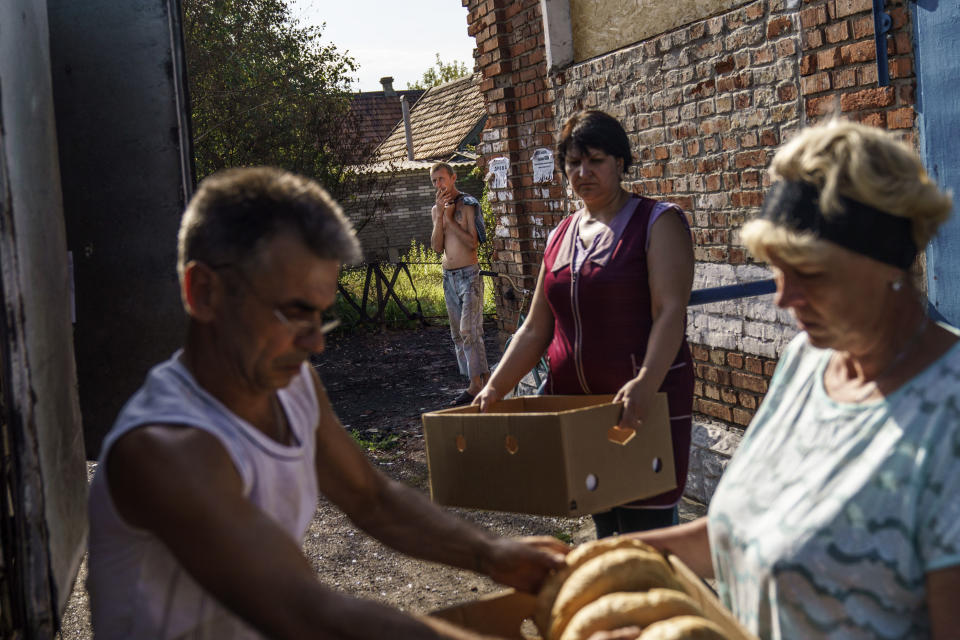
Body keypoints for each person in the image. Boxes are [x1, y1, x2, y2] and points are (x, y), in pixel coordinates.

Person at [87, 167, 567, 640]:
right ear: (204, 292)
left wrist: (491, 554)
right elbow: (309, 614)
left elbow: (371, 498)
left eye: (322, 315)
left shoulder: (292, 386)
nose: (316, 343)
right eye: (294, 313)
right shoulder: (164, 448)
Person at [617, 120, 960, 640]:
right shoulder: (808, 361)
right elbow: (748, 531)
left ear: (887, 264)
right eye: (779, 268)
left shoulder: (948, 414)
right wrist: (622, 557)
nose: (784, 298)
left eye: (812, 273)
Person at [473, 110, 695, 537]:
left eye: (595, 160)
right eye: (573, 163)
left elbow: (671, 311)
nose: (583, 172)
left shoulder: (657, 222)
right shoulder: (561, 234)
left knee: (644, 536)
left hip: (641, 404)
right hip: (578, 409)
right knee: (604, 523)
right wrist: (495, 389)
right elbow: (537, 328)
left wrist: (647, 381)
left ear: (620, 162)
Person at [430, 162, 490, 406]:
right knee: (458, 334)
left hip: (469, 276)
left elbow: (472, 244)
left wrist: (450, 219)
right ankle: (484, 379)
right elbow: (436, 247)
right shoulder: (436, 210)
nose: (439, 184)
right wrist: (439, 218)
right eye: (434, 181)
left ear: (453, 178)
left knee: (469, 330)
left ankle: (474, 386)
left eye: (442, 179)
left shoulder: (467, 205)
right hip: (449, 278)